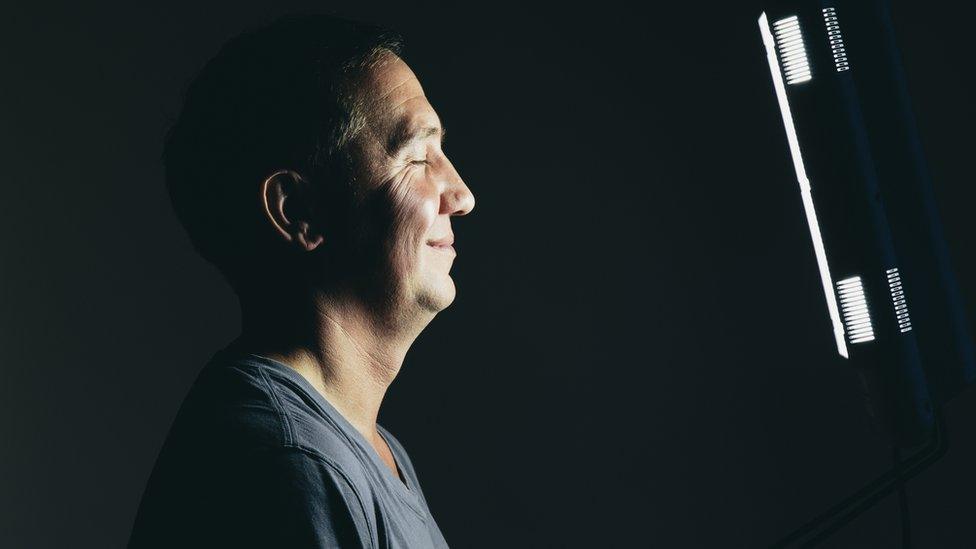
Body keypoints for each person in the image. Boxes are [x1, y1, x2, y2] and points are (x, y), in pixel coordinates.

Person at [128, 13, 475, 549]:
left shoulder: (367, 448)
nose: (461, 195)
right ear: (297, 211)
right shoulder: (293, 461)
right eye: (416, 157)